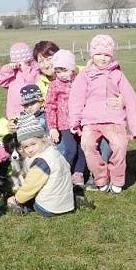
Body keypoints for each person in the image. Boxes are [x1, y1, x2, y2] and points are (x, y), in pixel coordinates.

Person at [69, 35, 136, 194]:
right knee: (87, 145)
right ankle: (101, 178)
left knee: (120, 145)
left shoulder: (118, 75)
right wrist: (75, 121)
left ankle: (117, 179)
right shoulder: (85, 75)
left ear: (111, 56)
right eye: (99, 54)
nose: (102, 58)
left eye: (106, 55)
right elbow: (76, 98)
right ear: (92, 54)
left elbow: (131, 100)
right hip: (91, 120)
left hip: (113, 119)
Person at [5, 114, 75, 217]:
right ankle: (76, 196)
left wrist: (17, 199)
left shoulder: (41, 161)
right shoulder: (53, 151)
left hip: (49, 207)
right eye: (25, 147)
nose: (30, 149)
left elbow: (31, 186)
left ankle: (22, 207)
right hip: (66, 202)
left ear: (42, 139)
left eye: (33, 144)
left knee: (29, 197)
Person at [45, 50, 86, 188]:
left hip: (81, 123)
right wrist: (53, 128)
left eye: (64, 70)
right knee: (70, 149)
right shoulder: (54, 85)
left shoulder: (80, 81)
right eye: (57, 71)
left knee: (83, 148)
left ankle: (78, 173)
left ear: (72, 68)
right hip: (64, 124)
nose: (61, 74)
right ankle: (62, 173)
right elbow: (50, 106)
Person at [0, 42, 41, 120]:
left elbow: (32, 84)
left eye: (26, 62)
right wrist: (8, 68)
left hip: (32, 111)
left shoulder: (34, 70)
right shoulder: (13, 72)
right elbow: (2, 81)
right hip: (14, 112)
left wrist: (25, 69)